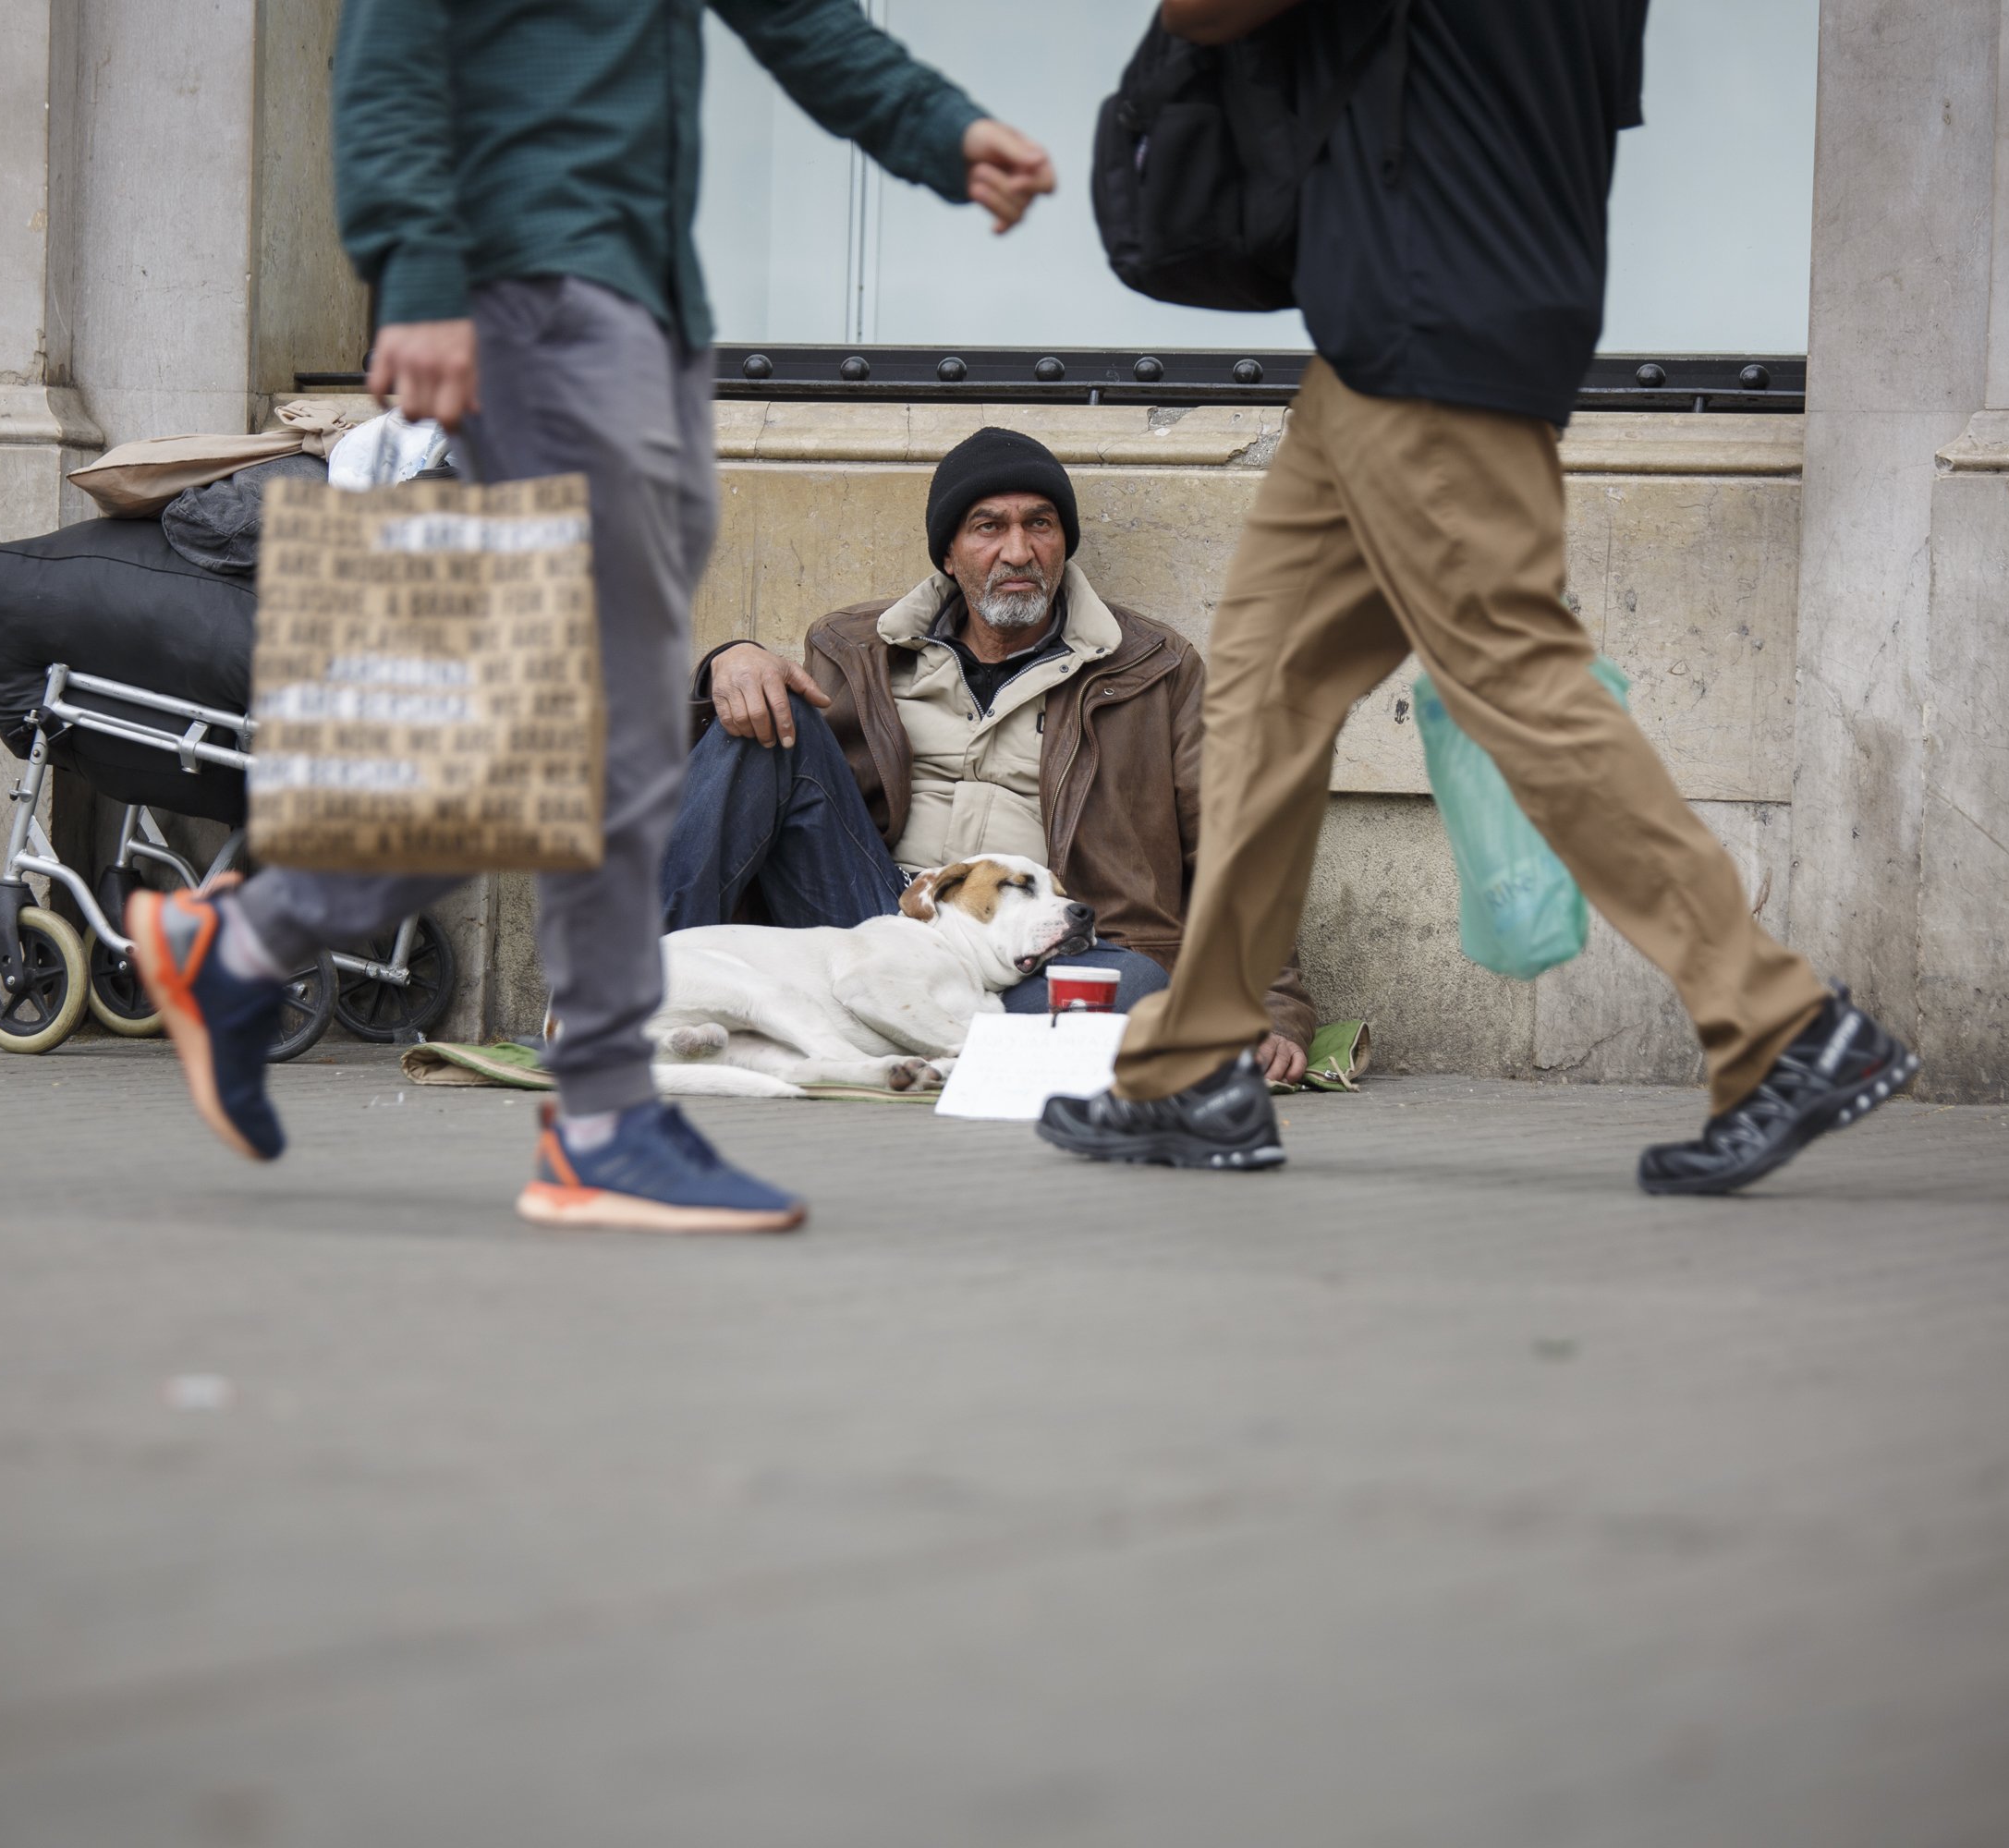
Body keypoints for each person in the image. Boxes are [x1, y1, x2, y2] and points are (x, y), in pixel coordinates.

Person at [128, 0, 1056, 1233]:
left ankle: (238, 949)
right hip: (533, 301)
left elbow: (804, 22)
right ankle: (608, 1116)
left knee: (538, 762)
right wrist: (415, 268)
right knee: (612, 740)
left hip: (650, 319)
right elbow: (399, 44)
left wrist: (944, 131)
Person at [1037, 0, 1917, 1193]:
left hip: (1426, 322)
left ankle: (1780, 1024)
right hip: (1416, 322)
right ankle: (1197, 1065)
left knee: (1513, 669)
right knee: (1266, 680)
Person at [666, 426, 1319, 1078]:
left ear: (1063, 544)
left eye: (1040, 525)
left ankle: (894, 1036)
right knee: (760, 724)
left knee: (1135, 984)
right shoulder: (854, 647)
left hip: (1040, 943)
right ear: (949, 555)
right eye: (987, 528)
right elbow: (758, 787)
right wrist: (732, 659)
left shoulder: (1155, 668)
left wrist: (1270, 1003)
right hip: (876, 918)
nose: (1018, 551)